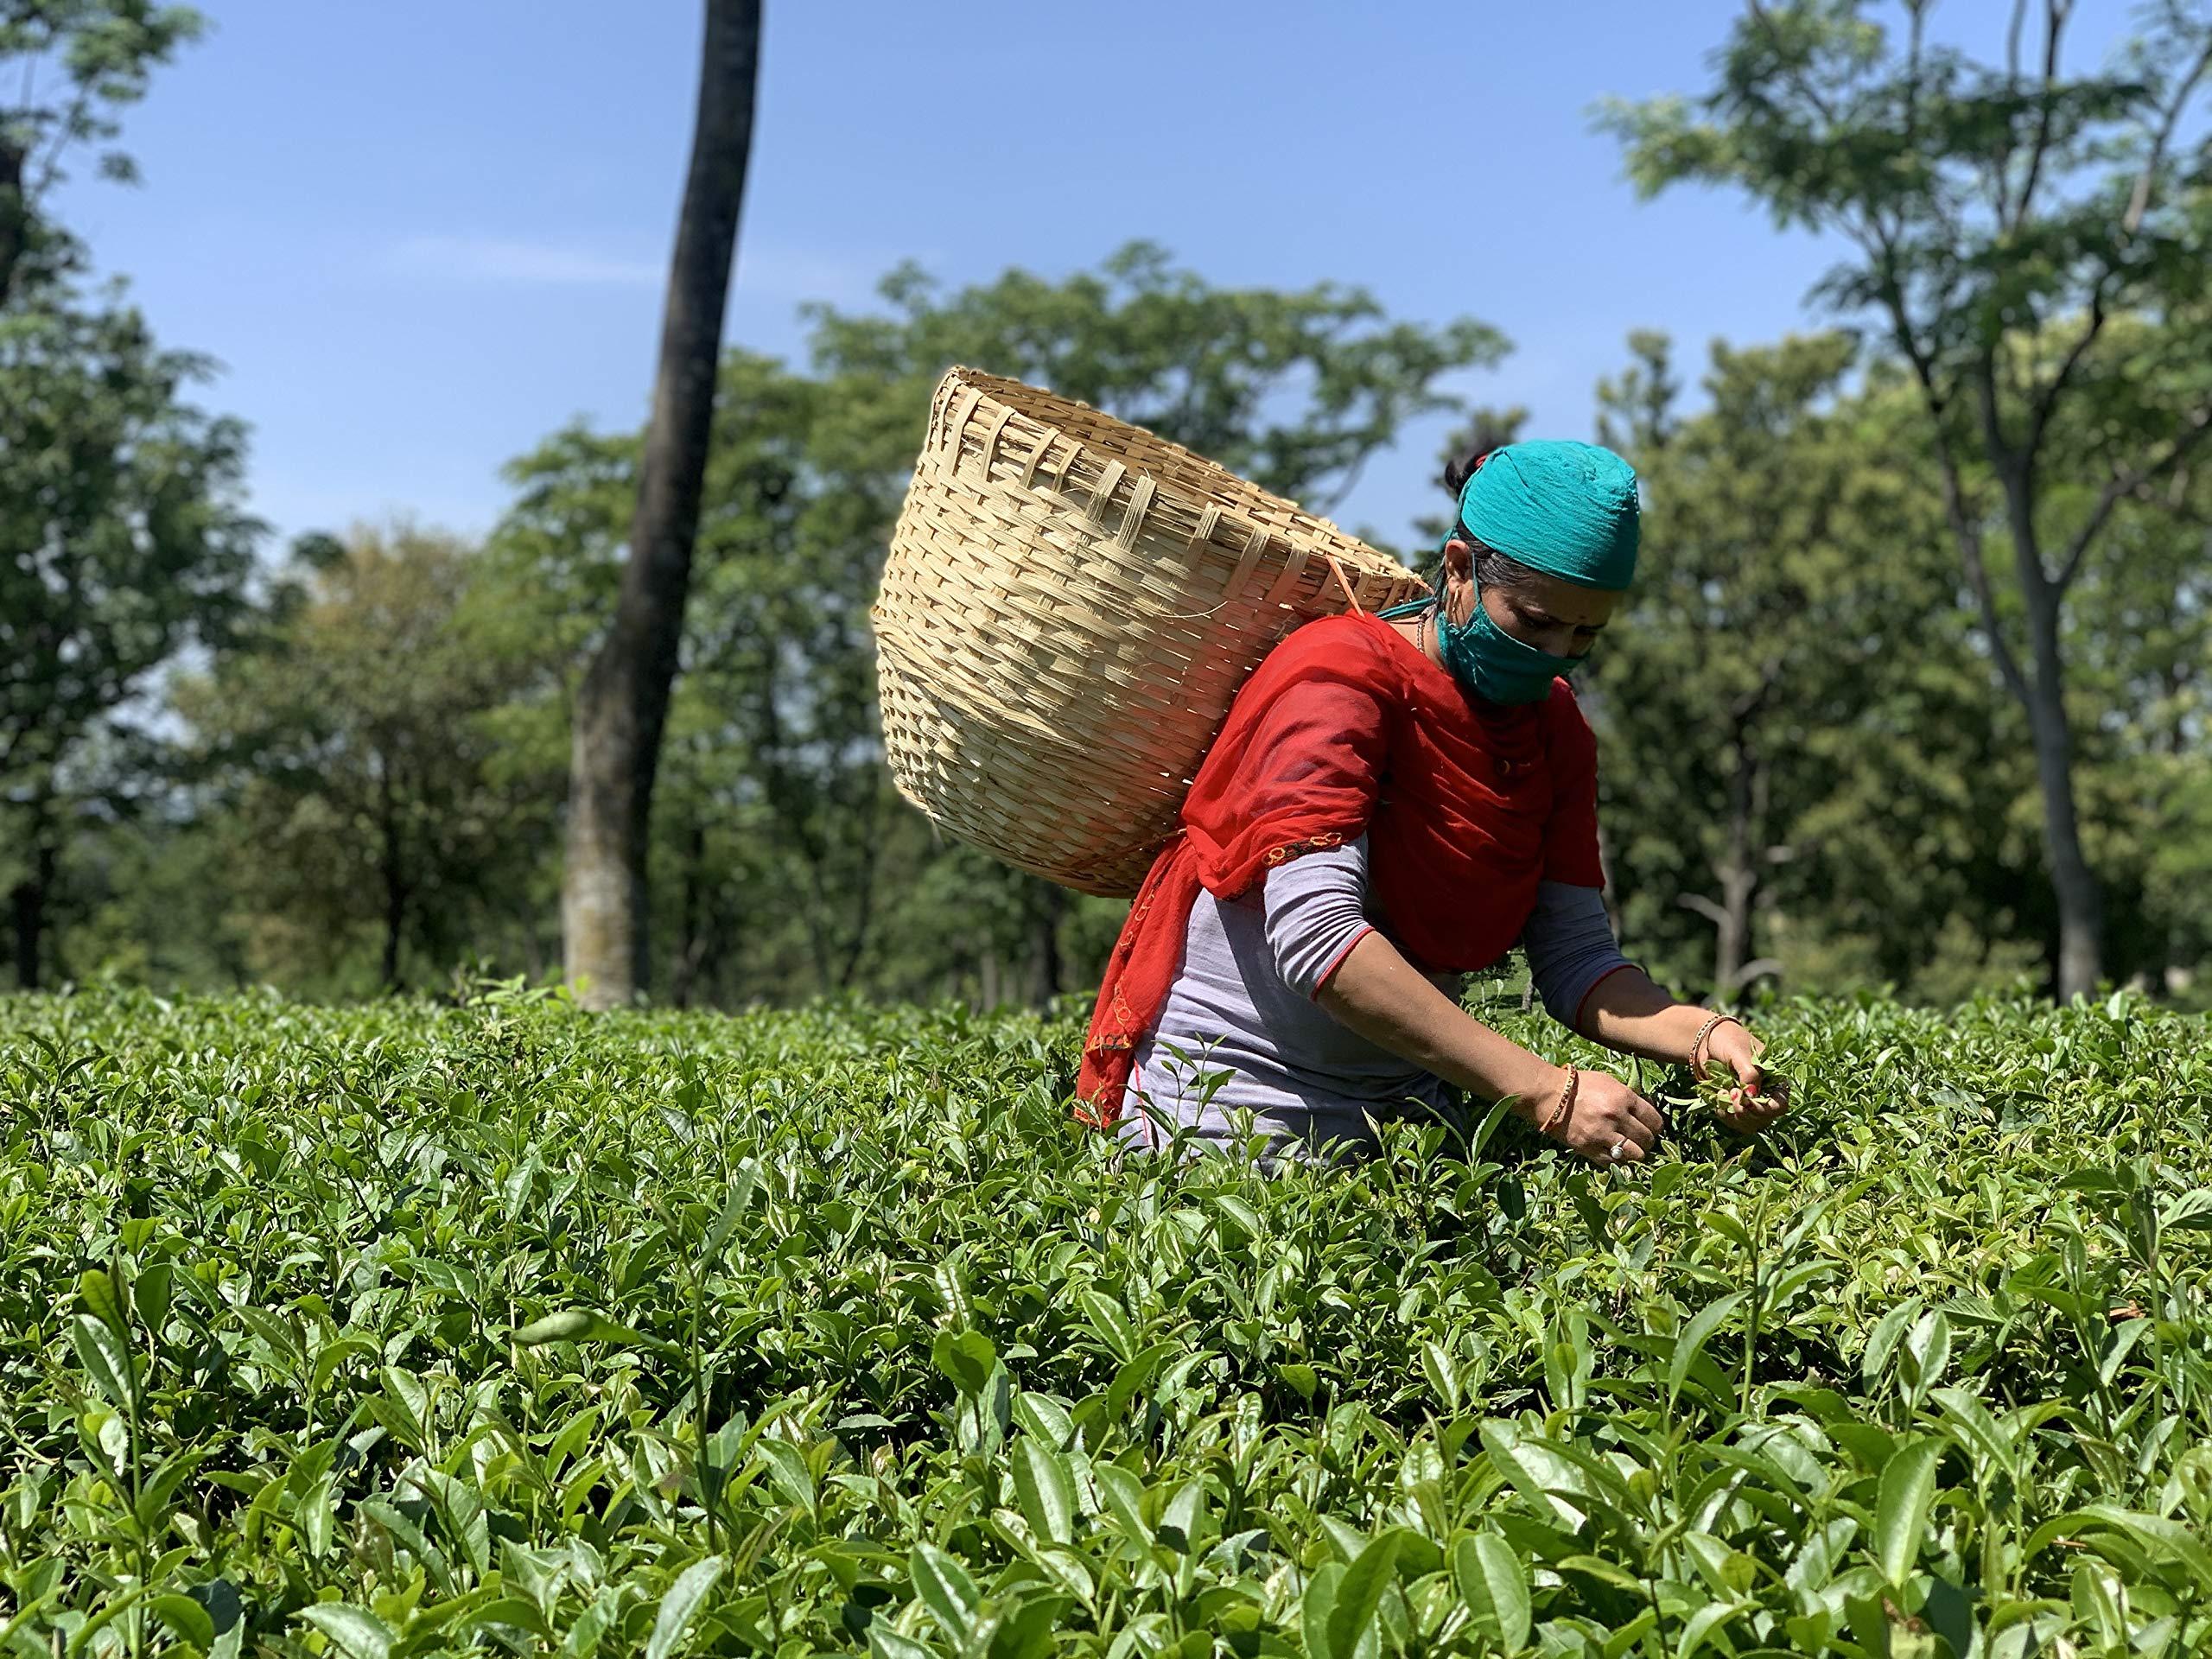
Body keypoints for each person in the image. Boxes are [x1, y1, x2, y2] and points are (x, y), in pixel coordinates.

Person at [1076, 438, 1789, 1165]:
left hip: (1407, 1127)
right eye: (1534, 621)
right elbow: (1316, 939)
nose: (1556, 653)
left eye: (1585, 633)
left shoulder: (1552, 730)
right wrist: (1546, 1091)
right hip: (1225, 1120)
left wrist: (1706, 1036)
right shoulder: (1341, 679)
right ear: (1457, 569)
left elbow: (1576, 957)